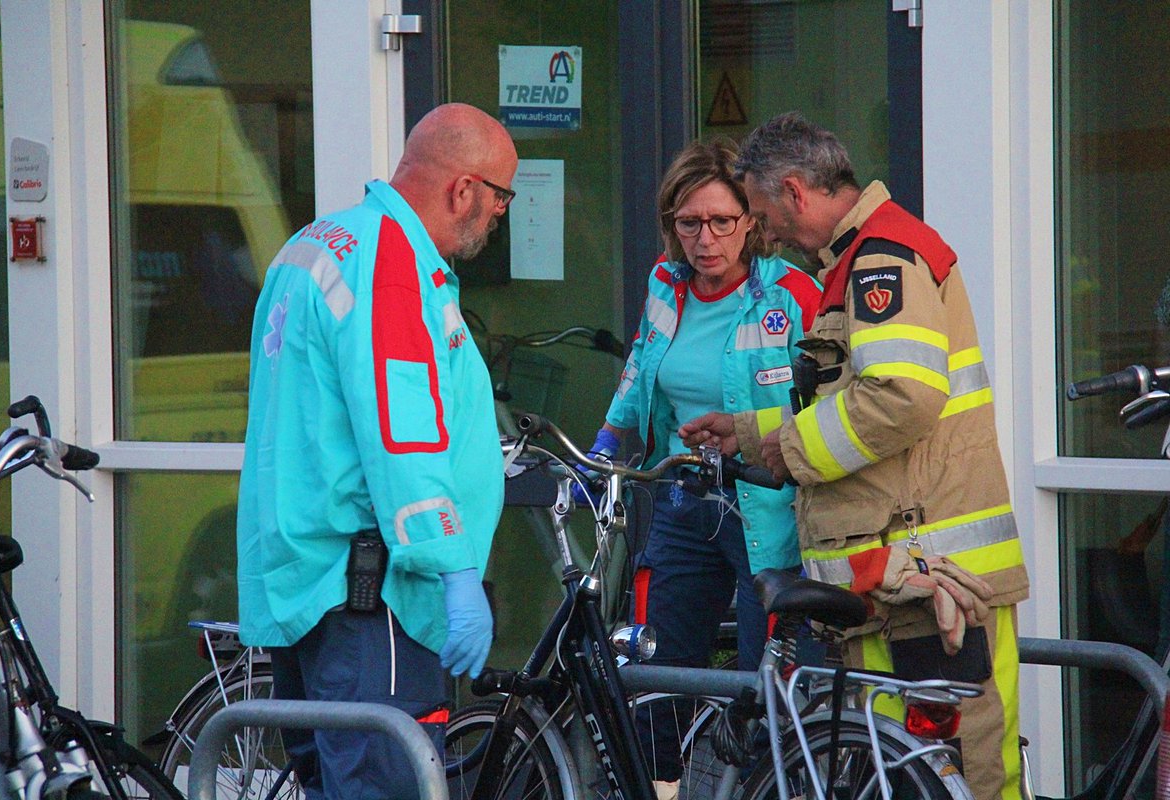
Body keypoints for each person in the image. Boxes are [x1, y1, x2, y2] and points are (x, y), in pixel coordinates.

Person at [681, 111, 1029, 800]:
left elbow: (901, 397)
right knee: (908, 775)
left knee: (957, 774)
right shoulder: (862, 258)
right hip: (904, 582)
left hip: (927, 585)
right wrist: (752, 435)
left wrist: (786, 446)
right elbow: (855, 401)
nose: (759, 232)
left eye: (756, 213)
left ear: (793, 192)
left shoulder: (882, 258)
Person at [235, 102, 517, 799]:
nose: (500, 217)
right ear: (465, 191)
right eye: (502, 199)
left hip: (310, 586)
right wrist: (454, 568)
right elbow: (405, 433)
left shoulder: (316, 244)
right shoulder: (392, 262)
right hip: (375, 600)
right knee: (387, 785)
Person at [586, 137, 820, 800]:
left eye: (723, 220)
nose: (706, 238)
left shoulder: (791, 293)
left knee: (763, 683)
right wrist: (607, 441)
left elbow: (830, 403)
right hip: (686, 498)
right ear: (671, 226)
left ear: (751, 222)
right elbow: (639, 371)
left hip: (767, 511)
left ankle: (762, 788)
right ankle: (660, 786)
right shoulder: (666, 286)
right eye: (689, 223)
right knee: (655, 670)